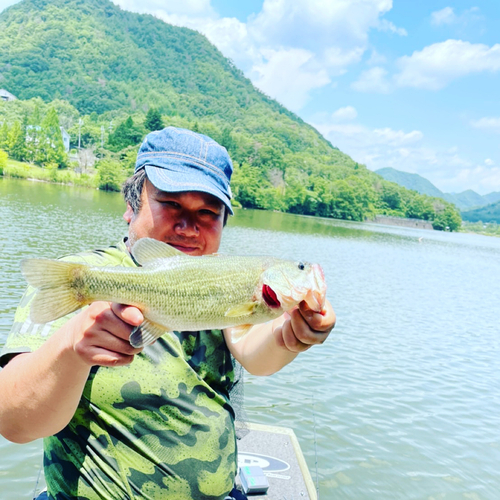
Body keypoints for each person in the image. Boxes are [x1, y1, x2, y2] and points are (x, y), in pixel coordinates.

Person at [0, 126, 336, 500]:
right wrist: (71, 346)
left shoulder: (225, 277)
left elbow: (257, 351)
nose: (187, 226)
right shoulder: (82, 275)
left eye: (207, 212)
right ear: (131, 205)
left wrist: (292, 337)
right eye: (171, 203)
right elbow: (13, 421)